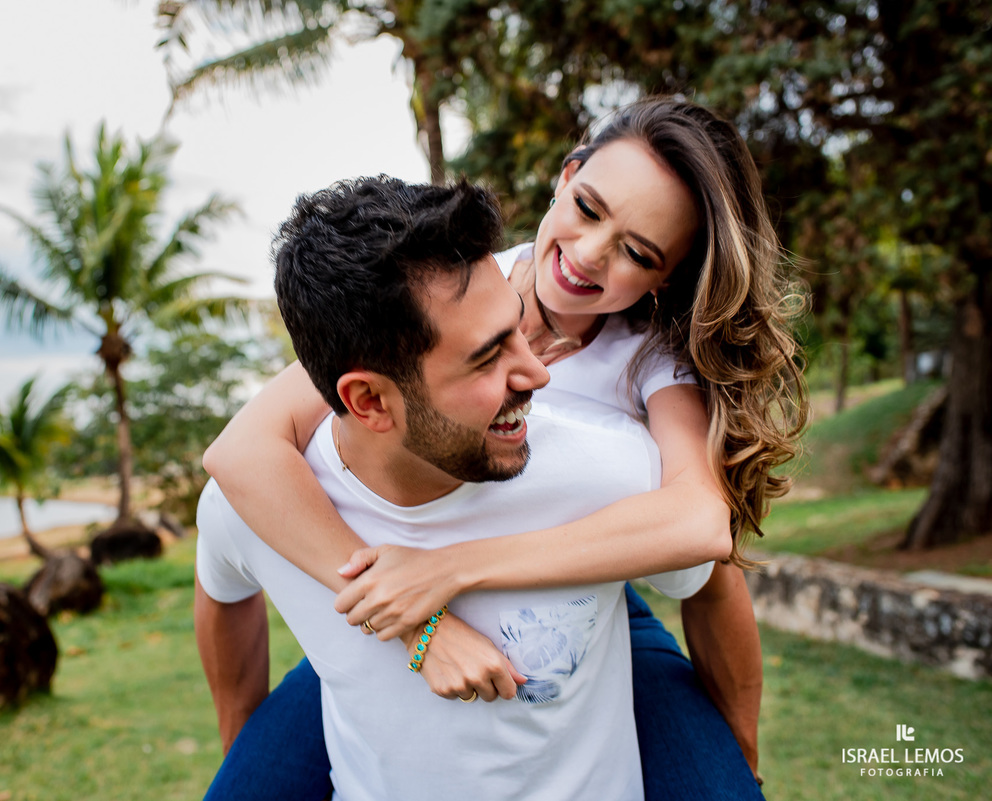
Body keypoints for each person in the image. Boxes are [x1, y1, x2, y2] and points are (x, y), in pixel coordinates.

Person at [203, 98, 804, 798]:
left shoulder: (651, 359)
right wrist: (416, 621)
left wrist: (451, 570)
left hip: (595, 577)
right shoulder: (451, 289)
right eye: (588, 208)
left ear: (666, 274)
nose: (589, 254)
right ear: (566, 176)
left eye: (638, 252)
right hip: (385, 593)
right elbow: (240, 453)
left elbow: (700, 528)